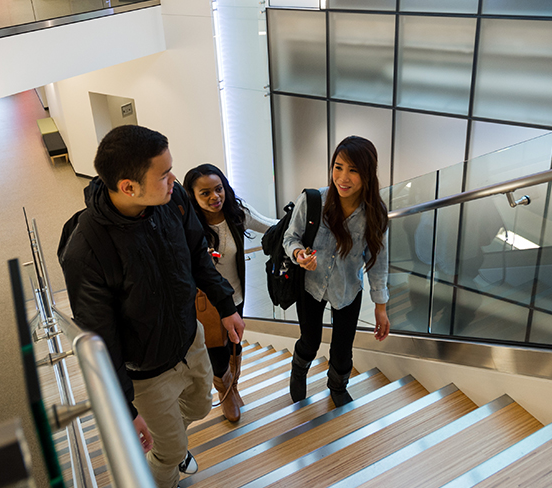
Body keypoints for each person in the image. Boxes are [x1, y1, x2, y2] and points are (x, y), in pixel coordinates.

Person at [58, 125, 245, 488]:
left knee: (201, 406)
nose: (174, 179)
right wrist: (125, 410)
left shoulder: (173, 200)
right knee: (171, 451)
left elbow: (196, 255)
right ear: (129, 186)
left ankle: (169, 443)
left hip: (189, 339)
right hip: (146, 371)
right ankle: (166, 464)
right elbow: (101, 340)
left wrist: (225, 305)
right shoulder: (87, 251)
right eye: (164, 174)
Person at [285, 135, 391, 407]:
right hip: (310, 285)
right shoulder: (312, 201)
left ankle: (338, 385)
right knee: (310, 341)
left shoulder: (375, 213)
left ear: (368, 174)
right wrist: (299, 254)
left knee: (342, 351)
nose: (343, 177)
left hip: (348, 289)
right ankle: (299, 369)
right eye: (338, 167)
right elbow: (290, 238)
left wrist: (381, 306)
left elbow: (377, 260)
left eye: (353, 170)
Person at [183, 164, 276, 422]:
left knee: (235, 346)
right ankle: (224, 392)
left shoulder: (237, 213)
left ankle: (233, 387)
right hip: (207, 303)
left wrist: (300, 226)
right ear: (192, 196)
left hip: (237, 297)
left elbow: (271, 226)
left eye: (219, 189)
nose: (215, 197)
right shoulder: (188, 226)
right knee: (217, 352)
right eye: (205, 193)